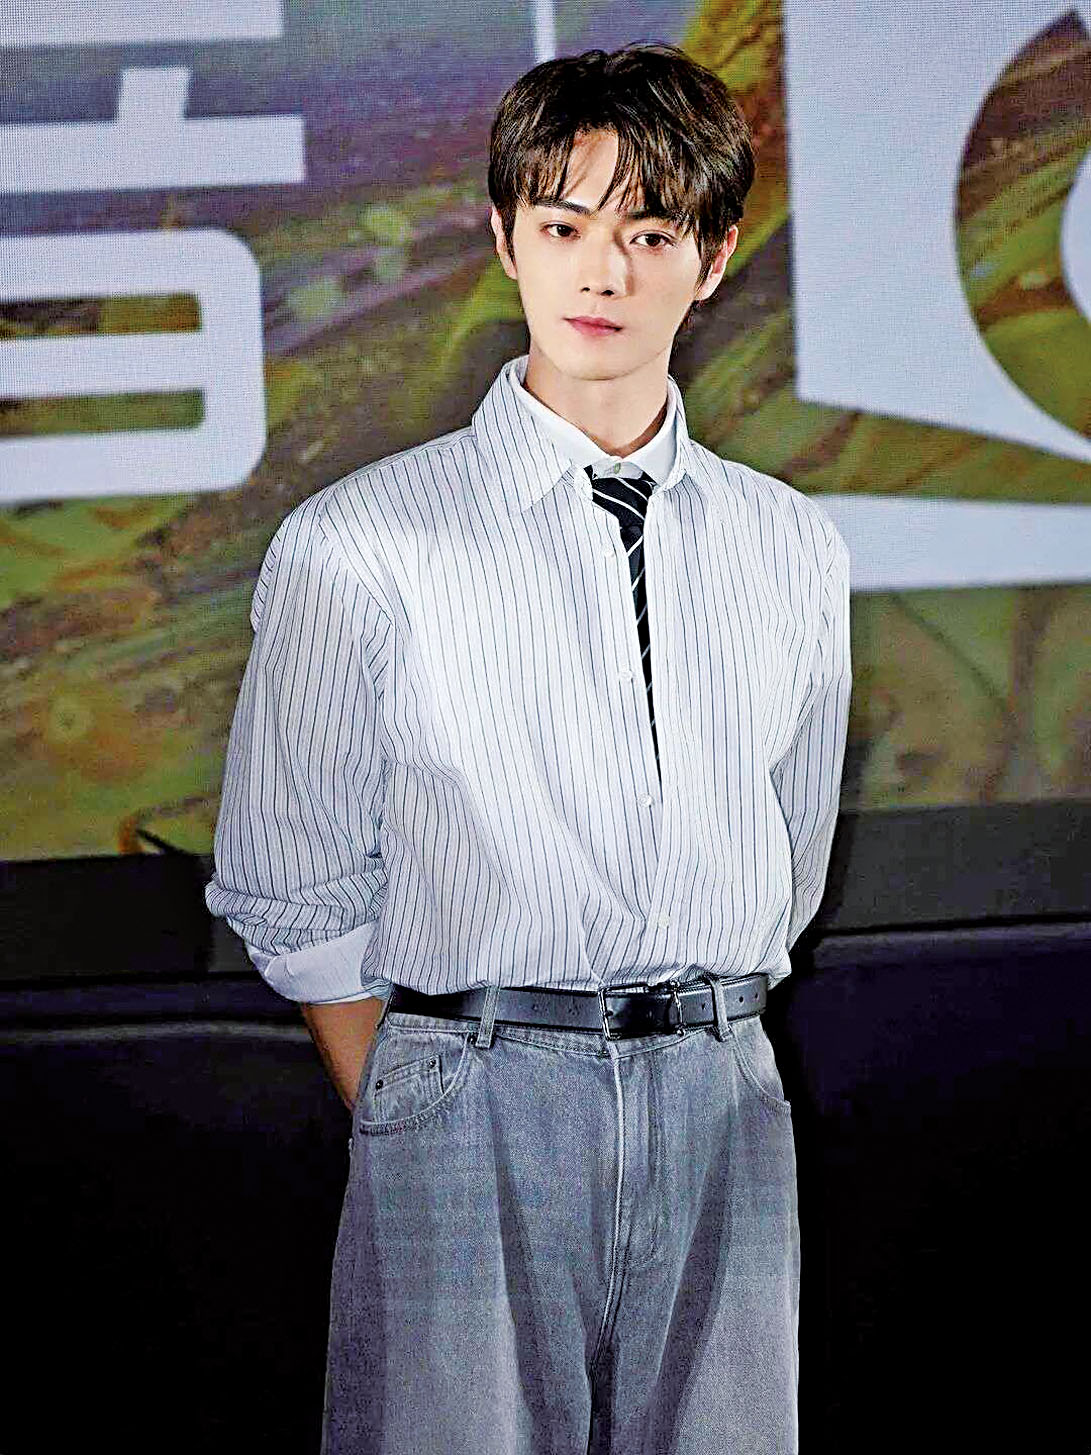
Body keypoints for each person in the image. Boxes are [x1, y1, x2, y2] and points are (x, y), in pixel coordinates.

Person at [207, 41, 851, 1455]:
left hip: (722, 1083)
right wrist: (422, 1095)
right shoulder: (360, 543)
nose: (601, 273)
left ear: (714, 258)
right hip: (471, 1081)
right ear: (505, 240)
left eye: (650, 234)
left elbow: (792, 852)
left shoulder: (791, 545)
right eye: (563, 227)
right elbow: (286, 878)